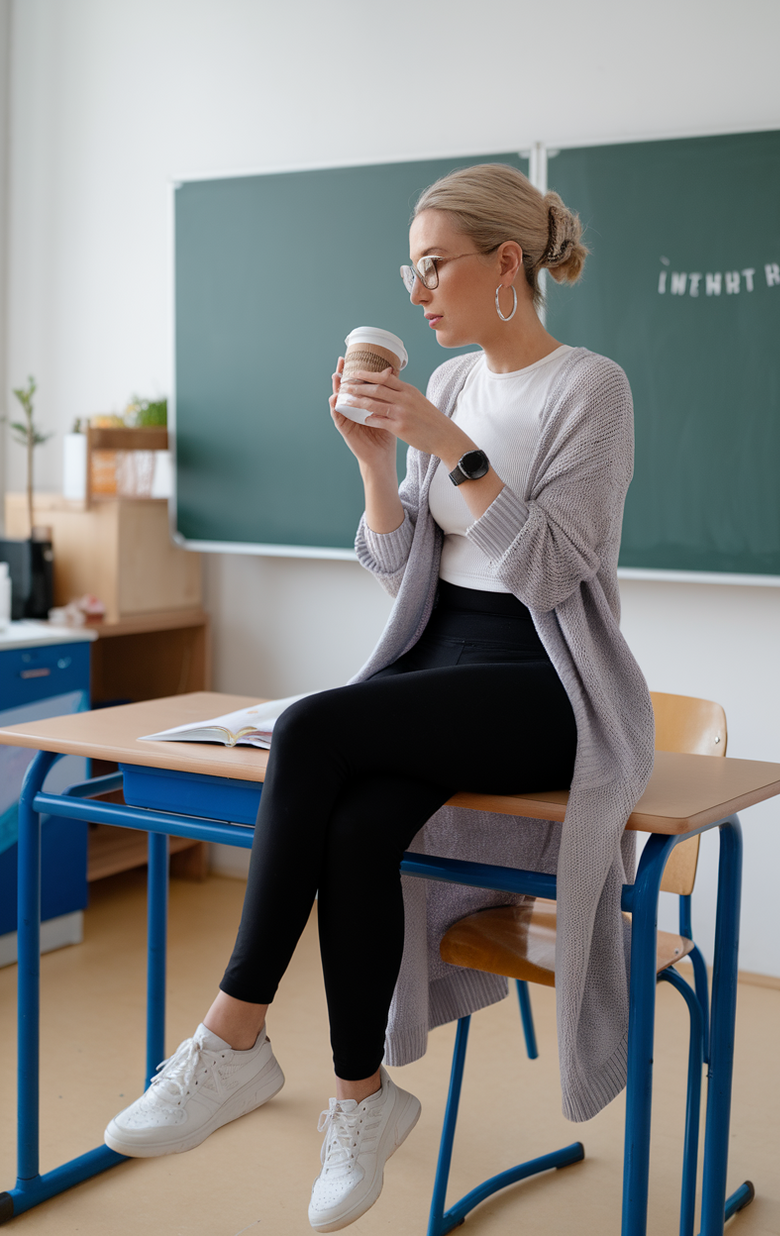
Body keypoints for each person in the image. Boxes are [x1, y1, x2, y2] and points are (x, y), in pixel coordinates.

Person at [103, 163, 654, 1231]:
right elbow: (399, 560)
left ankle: (230, 1039)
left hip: (542, 683)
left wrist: (448, 449)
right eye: (410, 267)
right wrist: (373, 463)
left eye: (435, 264)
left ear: (506, 264)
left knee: (311, 725)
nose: (417, 290)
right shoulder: (445, 385)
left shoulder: (591, 389)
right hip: (434, 662)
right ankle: (362, 1098)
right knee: (354, 827)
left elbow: (547, 574)